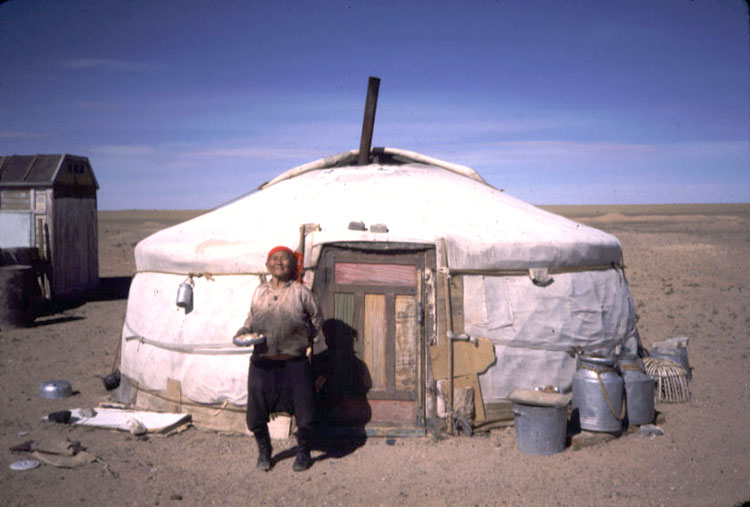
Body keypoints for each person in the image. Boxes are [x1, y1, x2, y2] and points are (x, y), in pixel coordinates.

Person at [234, 246, 323, 472]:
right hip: (262, 361)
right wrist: (244, 330)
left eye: (284, 259)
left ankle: (303, 453)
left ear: (293, 266)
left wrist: (305, 339)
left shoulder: (302, 293)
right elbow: (252, 318)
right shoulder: (259, 292)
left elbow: (316, 319)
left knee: (305, 411)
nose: (279, 263)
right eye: (274, 259)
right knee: (255, 412)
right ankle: (265, 451)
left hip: (293, 362)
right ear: (267, 266)